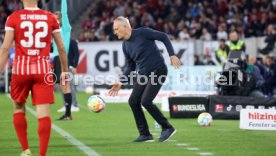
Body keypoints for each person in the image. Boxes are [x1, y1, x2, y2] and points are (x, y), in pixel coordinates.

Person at [0, 0, 70, 156]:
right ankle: (42, 154)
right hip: (43, 70)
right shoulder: (50, 17)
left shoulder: (14, 17)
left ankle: (25, 149)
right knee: (44, 113)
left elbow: (5, 48)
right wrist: (65, 71)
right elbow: (61, 47)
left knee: (18, 108)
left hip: (20, 70)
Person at [109, 16, 181, 142]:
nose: (115, 32)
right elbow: (130, 66)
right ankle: (145, 134)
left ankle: (167, 127)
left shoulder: (142, 32)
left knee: (146, 101)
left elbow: (163, 36)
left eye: (116, 29)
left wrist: (172, 54)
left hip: (158, 71)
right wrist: (121, 82)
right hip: (143, 75)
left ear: (125, 26)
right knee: (133, 101)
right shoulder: (125, 45)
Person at [57, 38, 80, 113]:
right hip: (62, 66)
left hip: (69, 66)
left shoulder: (72, 41)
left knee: (70, 85)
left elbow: (77, 54)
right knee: (63, 85)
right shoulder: (59, 41)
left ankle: (74, 105)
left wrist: (75, 66)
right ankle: (66, 105)